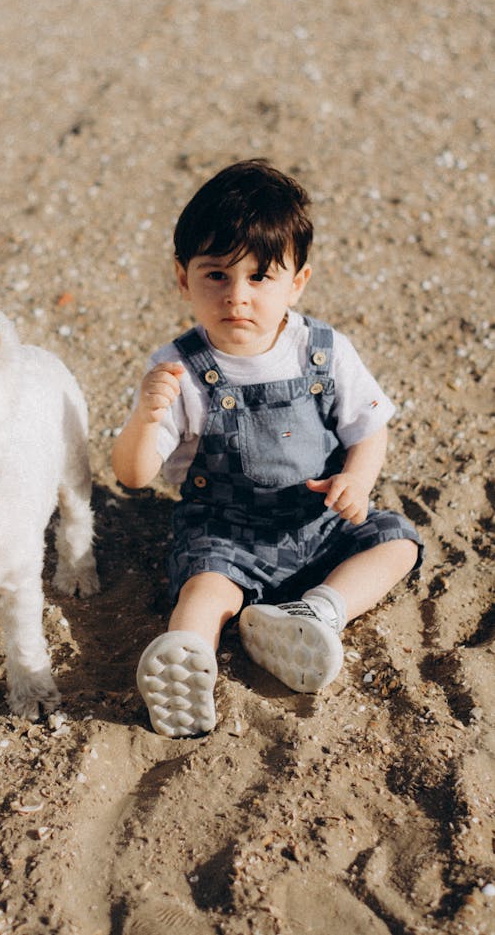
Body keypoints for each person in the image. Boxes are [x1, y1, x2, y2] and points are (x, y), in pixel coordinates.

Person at [112, 159, 422, 738]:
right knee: (207, 586)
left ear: (297, 282)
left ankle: (315, 613)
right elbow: (133, 475)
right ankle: (187, 662)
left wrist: (357, 480)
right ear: (182, 278)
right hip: (226, 529)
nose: (237, 297)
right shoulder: (177, 368)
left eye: (260, 277)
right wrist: (143, 417)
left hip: (318, 519)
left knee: (396, 543)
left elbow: (368, 428)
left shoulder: (324, 351)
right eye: (216, 276)